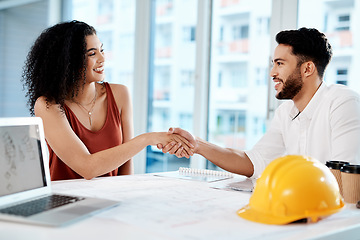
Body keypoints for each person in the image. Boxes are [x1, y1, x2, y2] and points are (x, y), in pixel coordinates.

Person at [158, 27, 360, 178]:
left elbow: (344, 177)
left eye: (280, 64)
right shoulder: (286, 113)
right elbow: (254, 162)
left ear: (307, 69)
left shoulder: (342, 102)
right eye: (273, 64)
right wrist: (197, 144)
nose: (272, 73)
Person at [22, 20, 193, 181]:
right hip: (66, 203)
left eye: (101, 50)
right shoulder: (48, 105)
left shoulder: (120, 94)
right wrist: (147, 139)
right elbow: (86, 167)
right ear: (67, 61)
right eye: (92, 53)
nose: (102, 59)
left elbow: (126, 166)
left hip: (109, 199)